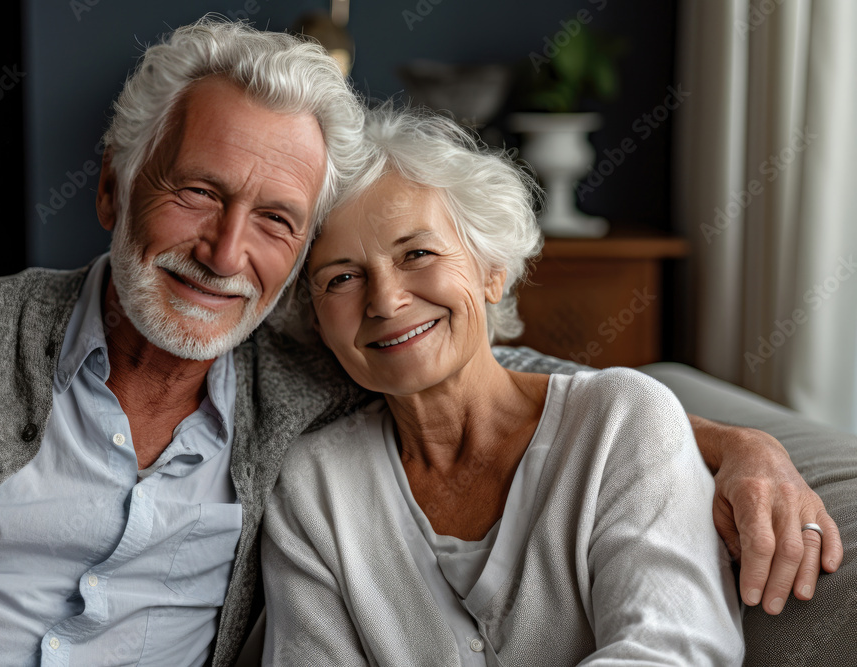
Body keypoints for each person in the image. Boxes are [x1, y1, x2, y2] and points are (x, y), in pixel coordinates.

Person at [0, 17, 841, 667]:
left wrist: (736, 444)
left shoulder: (303, 386)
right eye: (197, 190)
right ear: (114, 188)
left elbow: (492, 377)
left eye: (278, 220)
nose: (226, 251)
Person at [259, 105, 738, 664]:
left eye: (417, 253)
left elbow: (672, 651)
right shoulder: (313, 487)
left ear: (490, 270)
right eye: (341, 277)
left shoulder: (622, 421)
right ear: (315, 320)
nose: (386, 300)